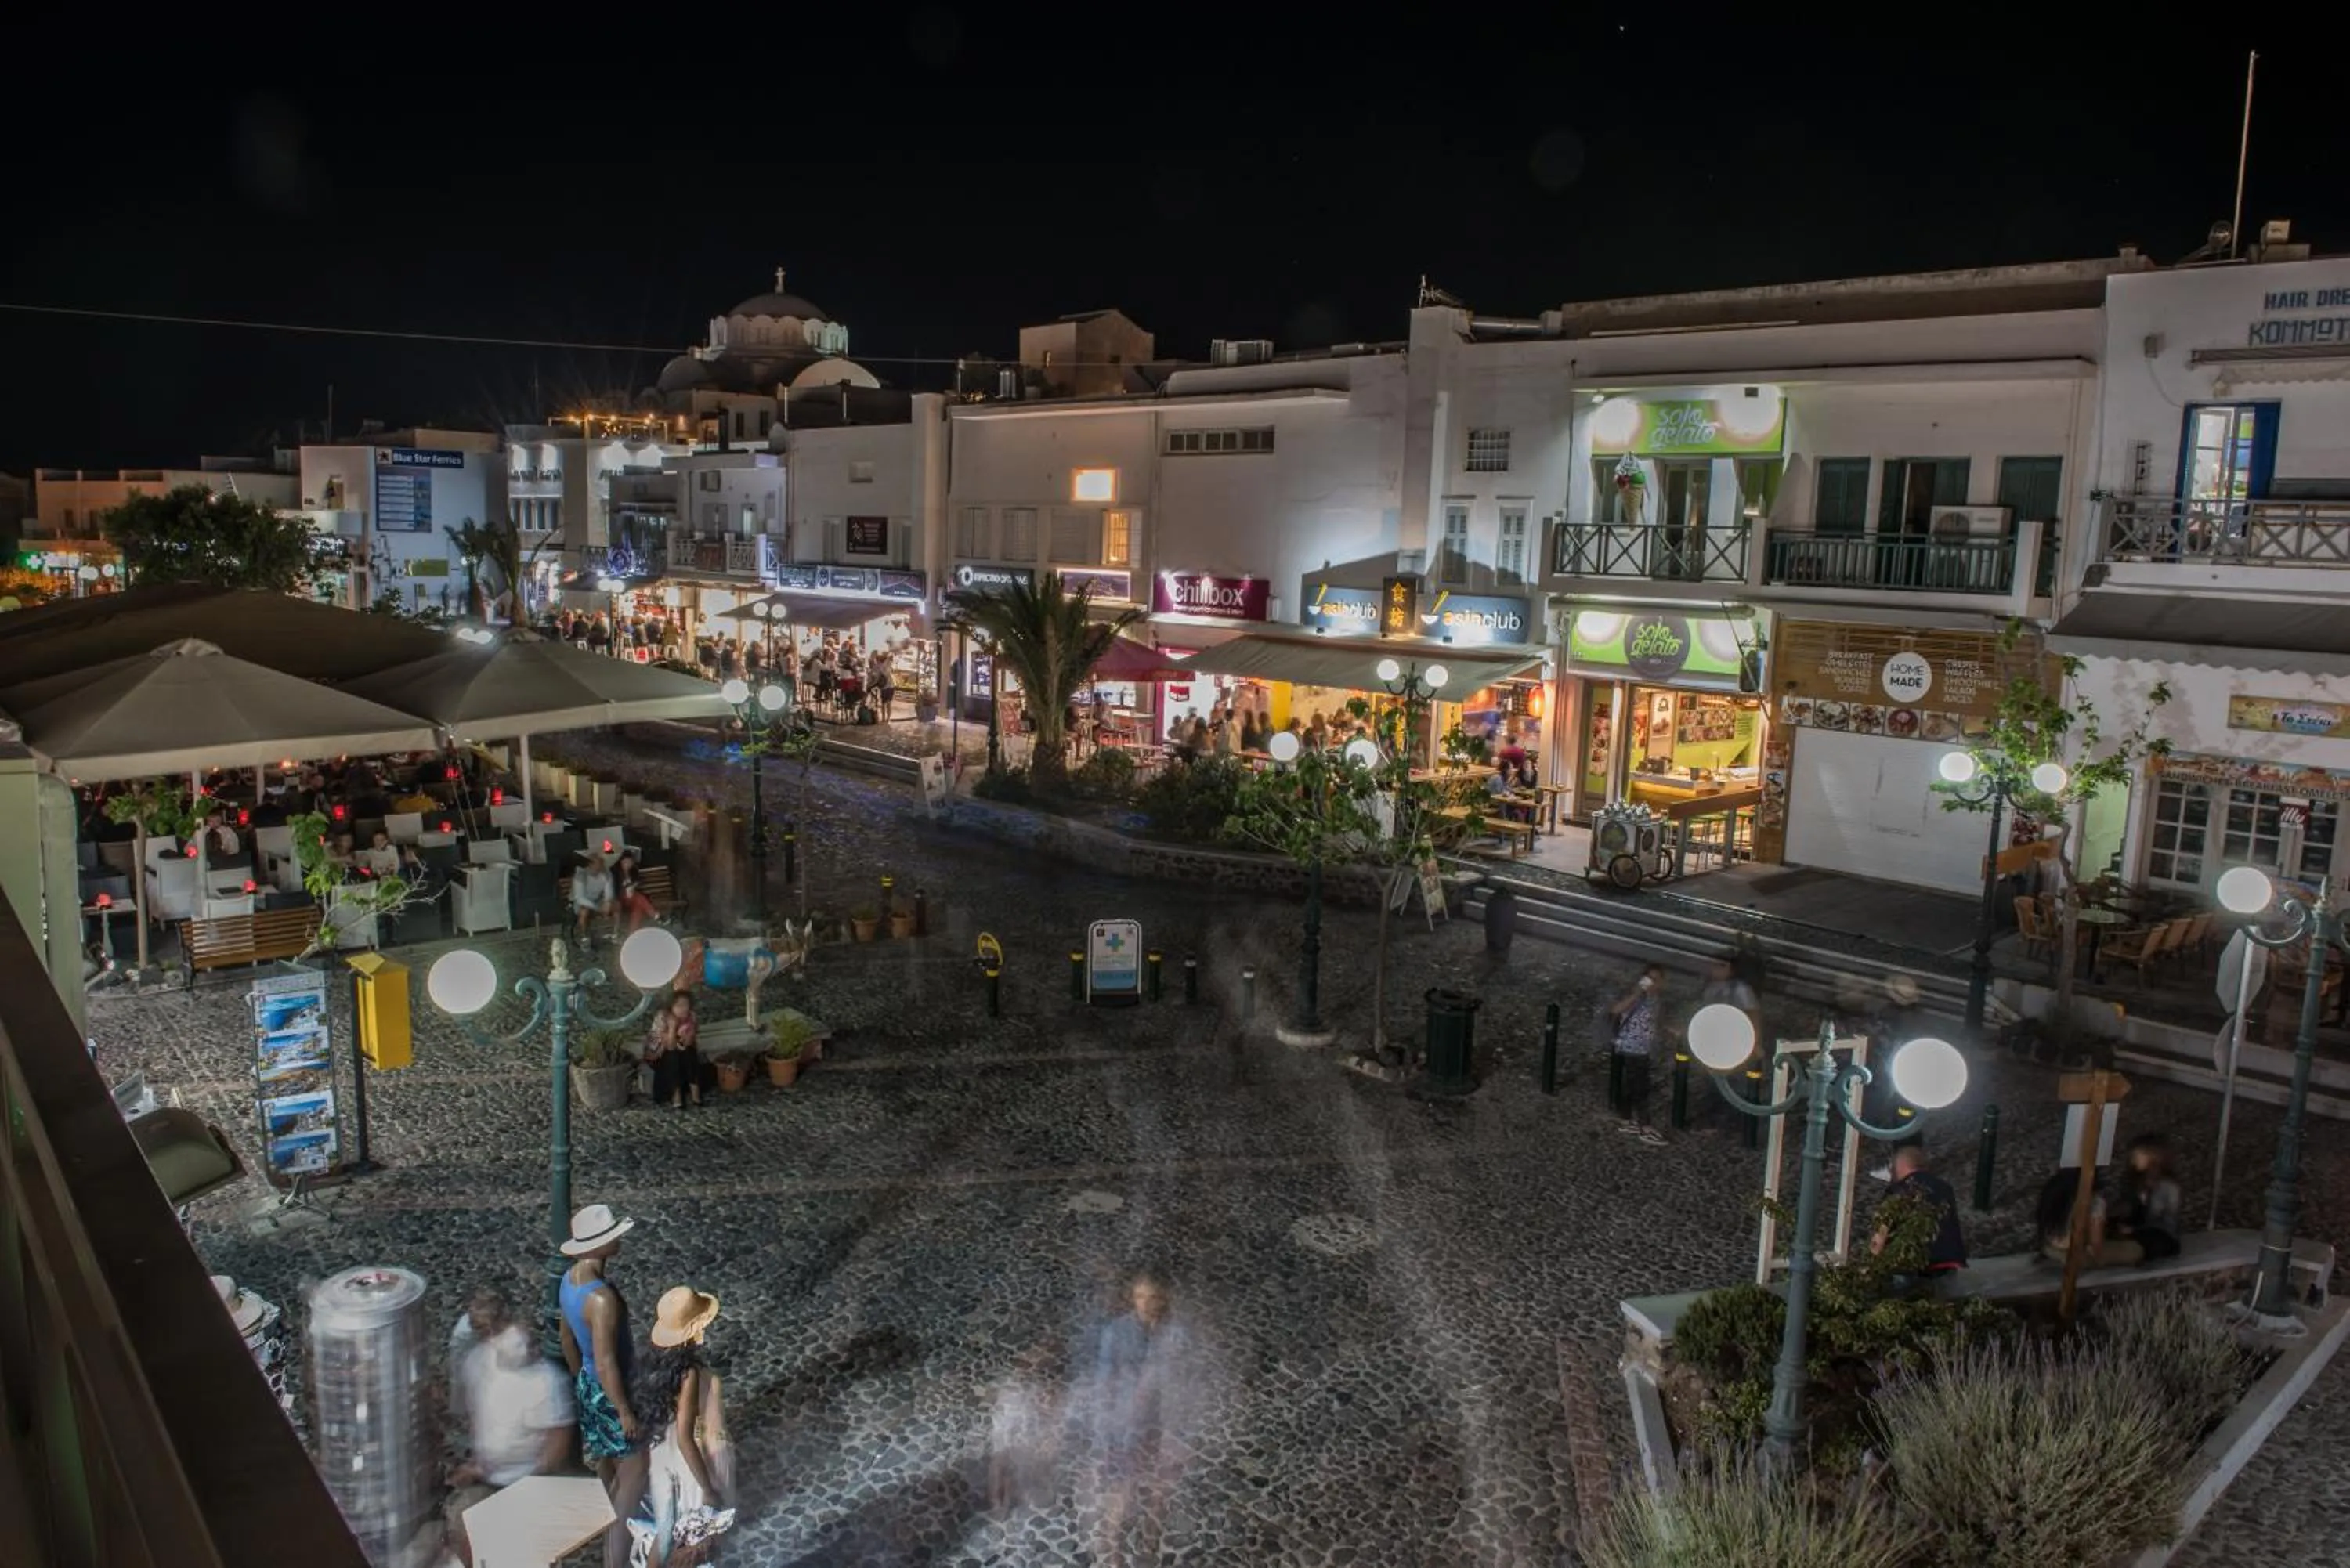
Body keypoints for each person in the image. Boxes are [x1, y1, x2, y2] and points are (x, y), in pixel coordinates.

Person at [443, 1309, 575, 1568]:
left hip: (527, 1482)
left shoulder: (547, 1382)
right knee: (460, 1522)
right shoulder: (478, 1361)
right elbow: (476, 1417)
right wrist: (478, 1467)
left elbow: (557, 1449)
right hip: (489, 1477)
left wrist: (528, 1488)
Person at [560, 1204, 648, 1568]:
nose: (619, 1240)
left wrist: (583, 1380)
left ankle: (607, 1535)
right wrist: (624, 1410)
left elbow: (567, 1338)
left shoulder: (568, 1280)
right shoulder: (602, 1299)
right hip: (612, 1391)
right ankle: (615, 1560)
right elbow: (607, 1360)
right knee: (633, 1477)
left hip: (590, 1386)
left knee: (609, 1466)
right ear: (597, 1247)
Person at [1090, 1270, 1191, 1568]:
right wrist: (1106, 1432)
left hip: (1162, 1425)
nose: (1145, 1303)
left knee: (1160, 1494)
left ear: (1165, 1299)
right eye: (1140, 1296)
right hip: (1125, 1425)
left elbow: (1182, 1382)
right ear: (1132, 1298)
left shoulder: (1177, 1334)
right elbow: (1104, 1383)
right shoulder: (1115, 1332)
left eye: (1153, 1297)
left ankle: (1149, 1547)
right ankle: (1115, 1553)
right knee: (1123, 1491)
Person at [629, 1287, 735, 1568]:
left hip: (659, 1452)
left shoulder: (649, 1361)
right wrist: (707, 1487)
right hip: (680, 1457)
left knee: (666, 1529)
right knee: (688, 1534)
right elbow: (685, 1437)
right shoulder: (688, 1374)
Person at [989, 1340, 1065, 1518]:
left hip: (1016, 1432)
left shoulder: (1020, 1389)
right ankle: (998, 1502)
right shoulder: (1017, 1390)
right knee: (1001, 1462)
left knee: (1003, 1461)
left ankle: (999, 1503)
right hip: (1013, 1430)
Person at [1872, 1145, 1969, 1280]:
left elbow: (1881, 1235)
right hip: (1948, 1263)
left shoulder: (1898, 1190)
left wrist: (1871, 1267)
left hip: (1913, 1267)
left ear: (1900, 1166)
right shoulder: (1945, 1188)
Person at [2036, 1166, 2144, 1269]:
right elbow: (2096, 1244)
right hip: (2074, 1252)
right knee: (2136, 1250)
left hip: (2050, 1246)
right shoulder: (2095, 1201)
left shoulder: (2056, 1189)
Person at [1610, 966, 1668, 1145]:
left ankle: (1626, 1120)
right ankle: (1645, 1127)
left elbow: (1653, 1021)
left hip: (1643, 1048)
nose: (1652, 983)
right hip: (1632, 1048)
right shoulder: (1637, 997)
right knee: (1641, 1088)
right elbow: (1616, 1010)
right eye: (1649, 978)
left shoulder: (1656, 1000)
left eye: (1656, 980)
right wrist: (1636, 994)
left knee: (1631, 1085)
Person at [2110, 1133, 2183, 1261]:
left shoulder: (2169, 1187)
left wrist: (2135, 1230)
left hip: (2159, 1234)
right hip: (2135, 1228)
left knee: (2155, 1243)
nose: (2133, 1160)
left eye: (2138, 1155)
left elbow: (2167, 1223)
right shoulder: (2132, 1182)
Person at [647, 992, 702, 1111]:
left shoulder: (691, 1017)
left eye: (686, 1005)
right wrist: (673, 1027)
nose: (684, 1009)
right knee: (673, 1056)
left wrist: (685, 1035)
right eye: (679, 1006)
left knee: (689, 1053)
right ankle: (676, 1096)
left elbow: (689, 1041)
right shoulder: (663, 1017)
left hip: (682, 1050)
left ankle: (695, 1094)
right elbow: (670, 1046)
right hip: (660, 1054)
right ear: (671, 1007)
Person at [573, 851, 619, 945]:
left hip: (598, 900)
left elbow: (609, 892)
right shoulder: (581, 875)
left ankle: (615, 933)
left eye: (602, 862)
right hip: (583, 903)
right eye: (598, 863)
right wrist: (597, 907)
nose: (601, 865)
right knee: (584, 912)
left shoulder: (606, 873)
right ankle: (584, 937)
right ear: (591, 864)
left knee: (616, 905)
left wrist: (607, 902)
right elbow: (580, 898)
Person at [613, 851, 660, 933]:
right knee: (639, 898)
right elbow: (615, 889)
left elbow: (638, 881)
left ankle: (632, 932)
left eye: (629, 862)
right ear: (621, 862)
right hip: (621, 900)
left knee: (638, 908)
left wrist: (633, 886)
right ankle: (654, 914)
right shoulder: (616, 873)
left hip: (632, 899)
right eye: (625, 862)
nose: (627, 865)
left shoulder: (634, 871)